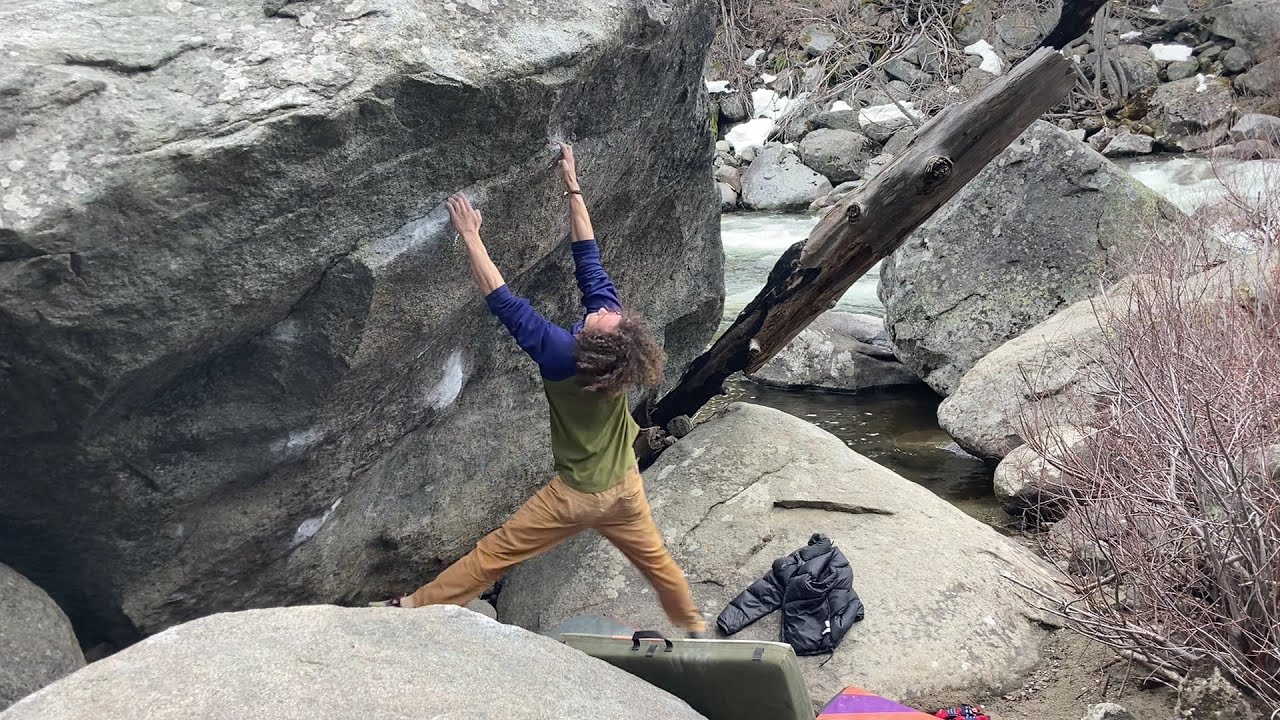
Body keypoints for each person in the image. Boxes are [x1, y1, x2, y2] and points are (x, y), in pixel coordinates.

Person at [373, 143, 705, 637]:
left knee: (494, 553)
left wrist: (470, 235)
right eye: (611, 311)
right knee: (657, 564)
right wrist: (571, 183)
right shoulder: (614, 348)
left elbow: (502, 300)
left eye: (605, 315)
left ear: (595, 342)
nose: (606, 306)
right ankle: (694, 628)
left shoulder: (560, 356)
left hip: (578, 496)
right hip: (625, 487)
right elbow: (588, 259)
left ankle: (413, 608)